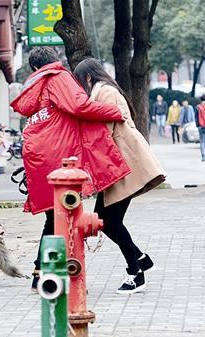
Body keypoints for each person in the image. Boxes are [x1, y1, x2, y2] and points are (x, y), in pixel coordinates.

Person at [10, 47, 130, 293]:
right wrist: (115, 111)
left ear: (34, 67)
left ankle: (41, 274)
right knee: (64, 218)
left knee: (53, 217)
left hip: (38, 156)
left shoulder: (35, 86)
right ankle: (59, 279)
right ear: (55, 61)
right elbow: (79, 106)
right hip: (59, 156)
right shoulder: (58, 76)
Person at [74, 58, 166, 294]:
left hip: (122, 163)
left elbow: (104, 129)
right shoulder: (105, 90)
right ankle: (141, 260)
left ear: (87, 77)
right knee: (106, 220)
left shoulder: (104, 92)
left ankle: (136, 272)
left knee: (109, 221)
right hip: (118, 163)